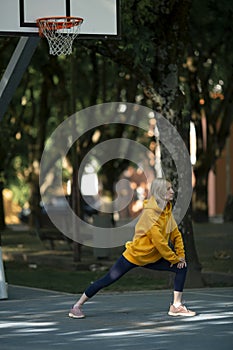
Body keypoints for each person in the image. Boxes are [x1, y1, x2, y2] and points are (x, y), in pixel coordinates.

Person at [69, 178, 196, 319]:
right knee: (107, 280)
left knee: (181, 267)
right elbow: (159, 242)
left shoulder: (166, 210)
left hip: (153, 258)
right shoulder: (150, 214)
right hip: (135, 256)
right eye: (168, 189)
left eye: (171, 188)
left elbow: (175, 234)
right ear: (159, 192)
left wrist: (181, 255)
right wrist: (174, 258)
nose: (172, 191)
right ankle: (77, 306)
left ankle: (176, 306)